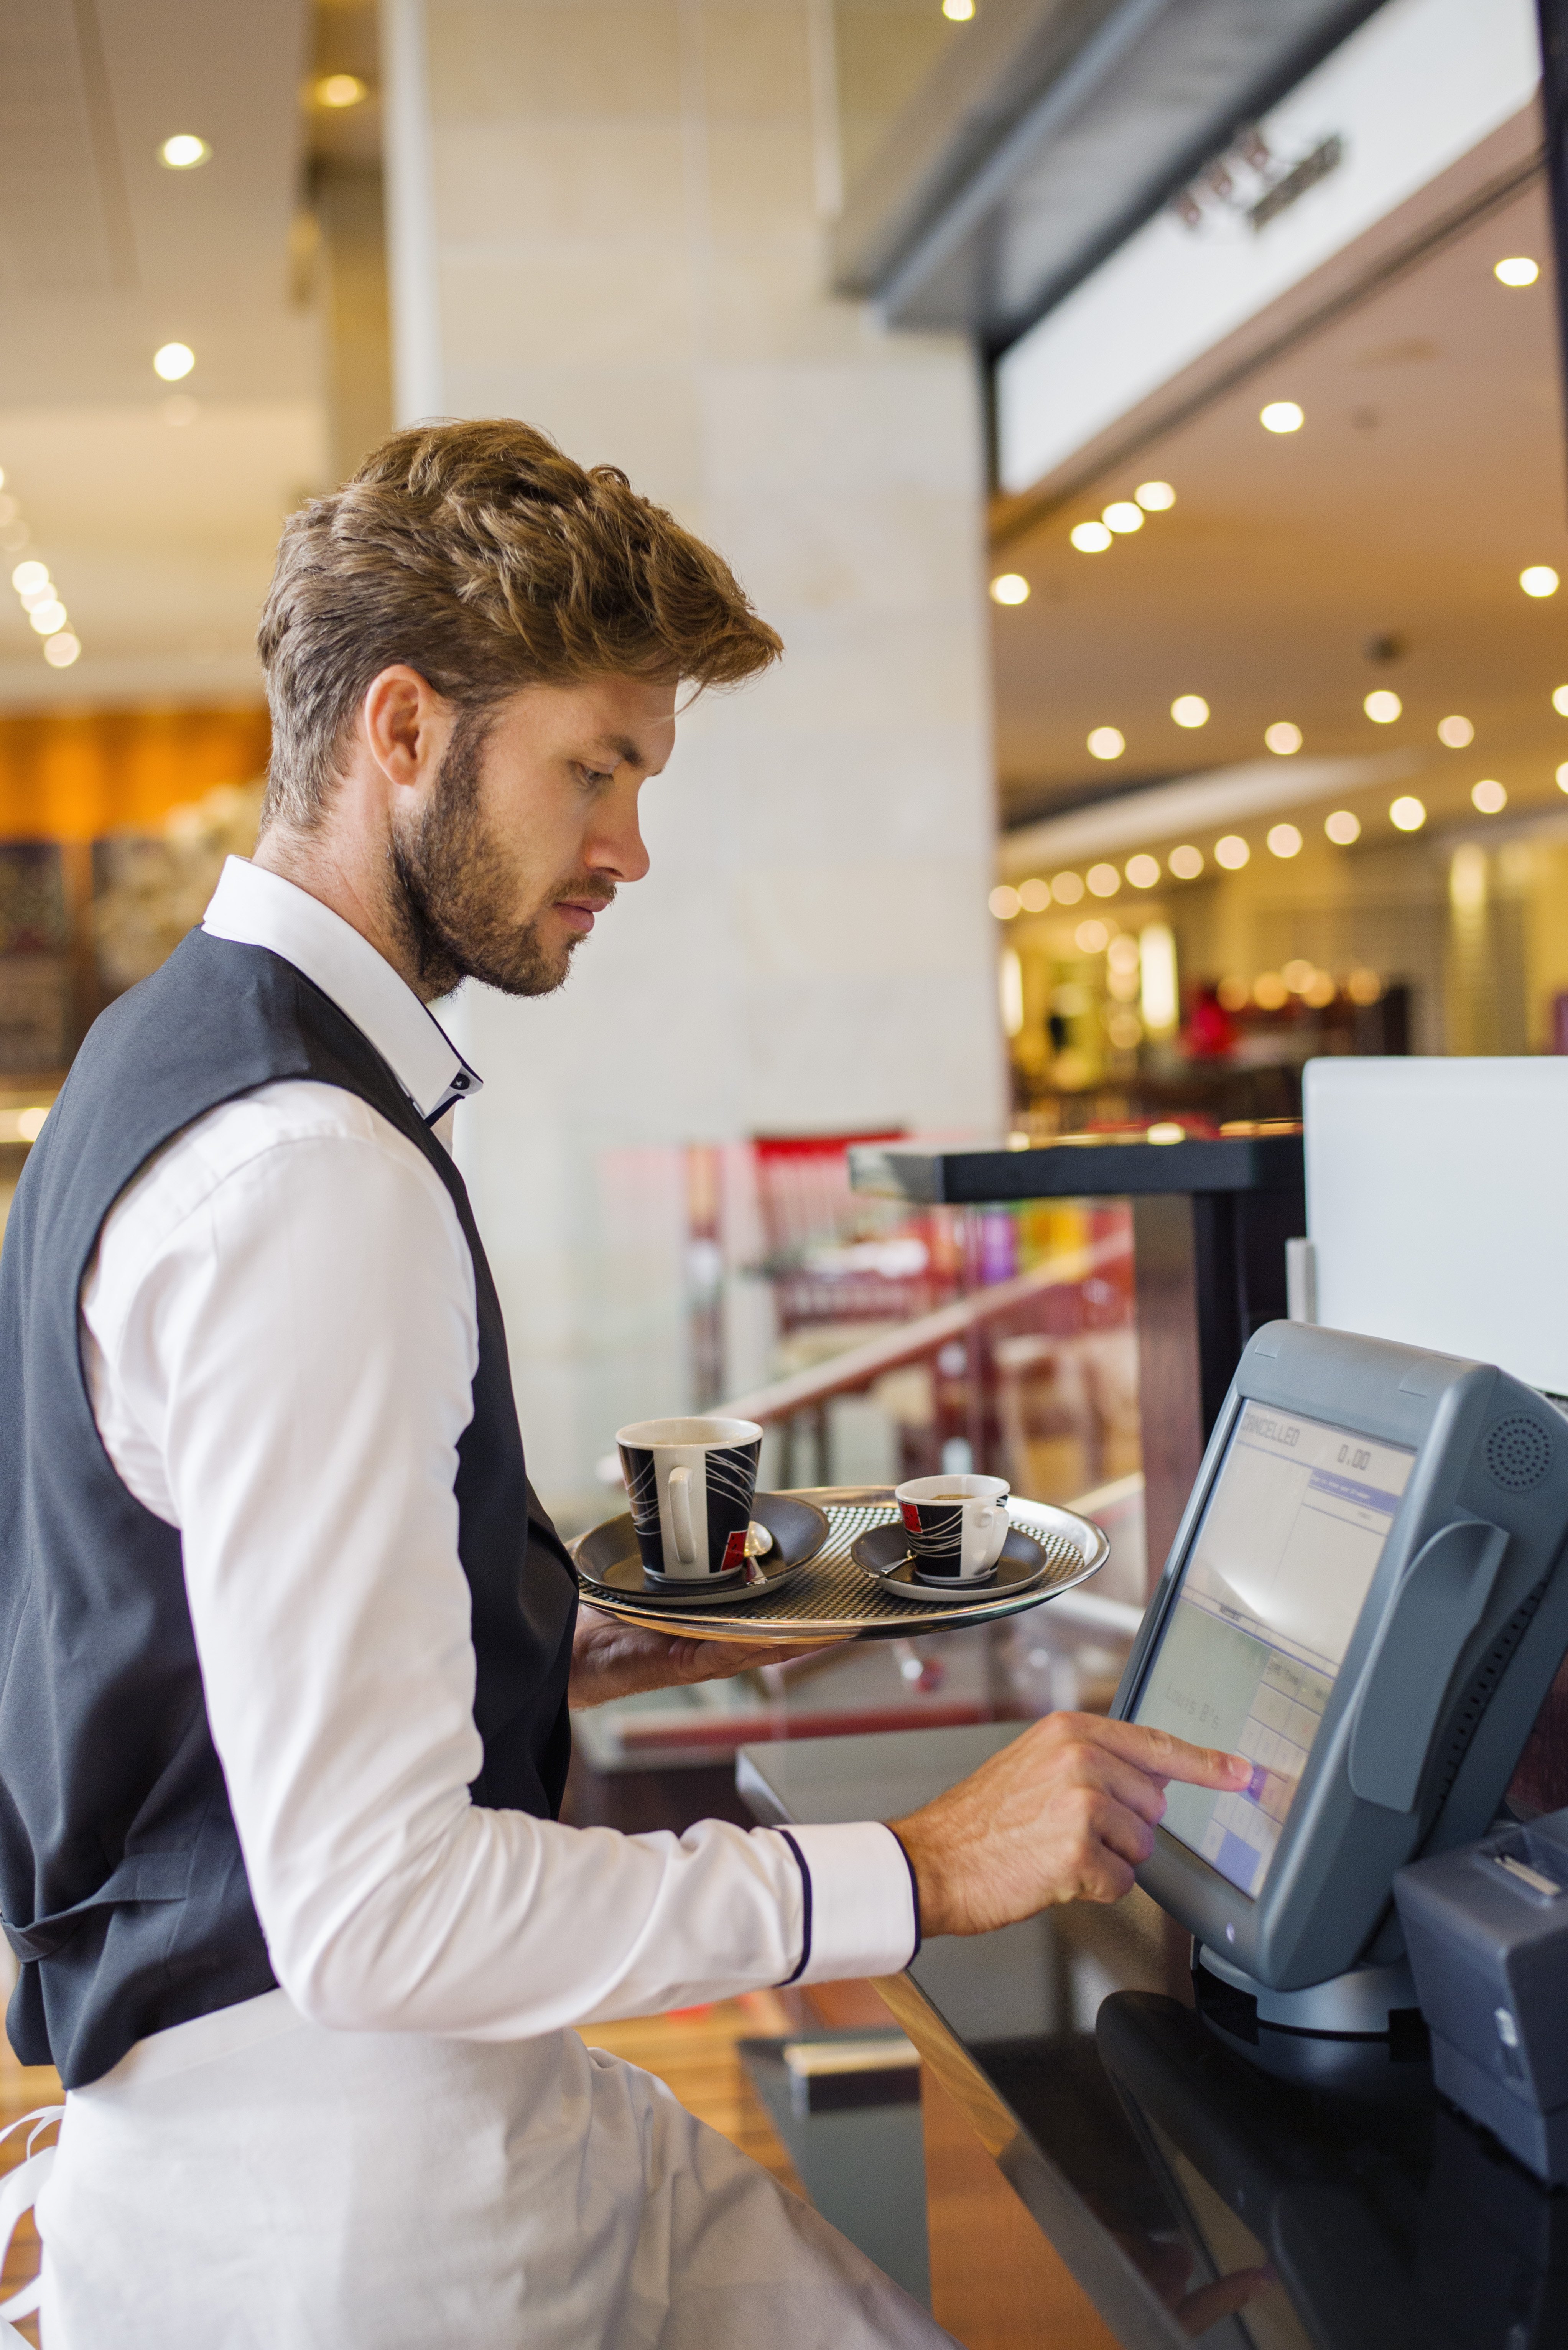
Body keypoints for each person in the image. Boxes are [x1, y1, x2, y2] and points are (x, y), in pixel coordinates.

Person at [0, 419, 1250, 2347]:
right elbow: (376, 1913)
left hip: (359, 2126)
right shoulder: (308, 1177)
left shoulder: (163, 1065)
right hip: (359, 2199)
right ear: (403, 734)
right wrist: (915, 1869)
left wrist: (562, 1636)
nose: (631, 847)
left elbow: (174, 1643)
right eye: (595, 767)